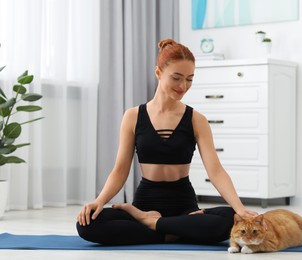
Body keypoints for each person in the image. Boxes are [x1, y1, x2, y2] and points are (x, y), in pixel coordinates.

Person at [76, 38, 258, 245]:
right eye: (176, 78)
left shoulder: (197, 120)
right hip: (145, 203)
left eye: (190, 79)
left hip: (185, 207)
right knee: (86, 224)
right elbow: (120, 170)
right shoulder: (133, 116)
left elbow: (215, 171)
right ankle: (175, 230)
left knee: (226, 220)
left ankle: (151, 225)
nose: (183, 86)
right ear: (158, 73)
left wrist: (239, 208)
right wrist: (99, 201)